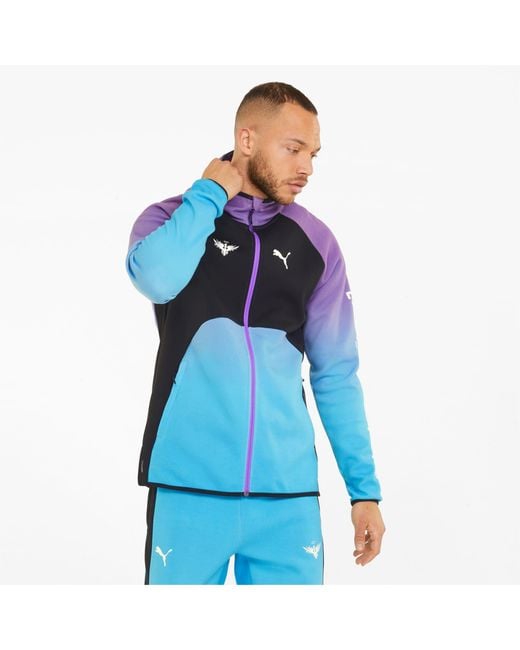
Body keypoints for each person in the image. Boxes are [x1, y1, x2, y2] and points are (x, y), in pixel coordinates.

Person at [125, 81, 386, 585]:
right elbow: (156, 279)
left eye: (313, 154)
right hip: (188, 486)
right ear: (246, 139)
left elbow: (336, 373)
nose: (306, 168)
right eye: (293, 149)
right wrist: (209, 194)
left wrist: (364, 491)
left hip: (287, 497)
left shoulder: (316, 243)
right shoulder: (173, 218)